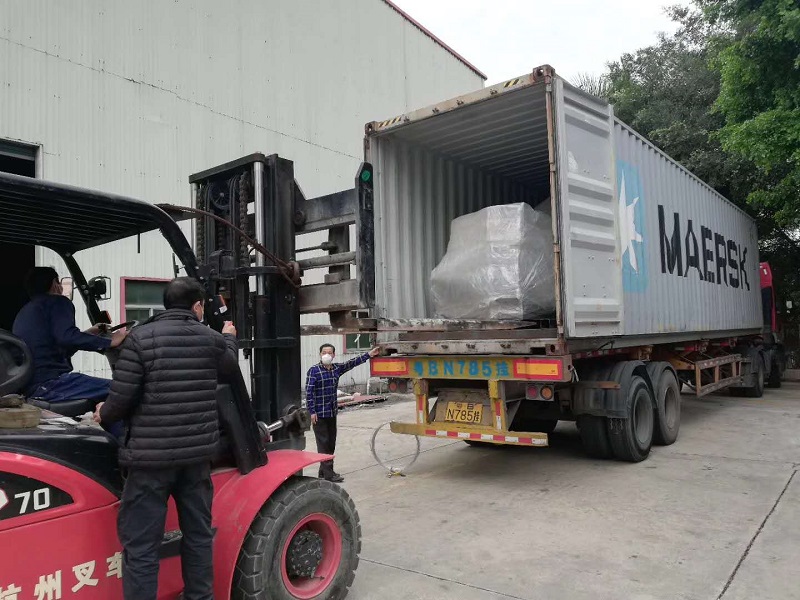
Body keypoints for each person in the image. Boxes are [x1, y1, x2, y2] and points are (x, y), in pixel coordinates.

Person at [94, 277, 238, 600]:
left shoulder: (140, 339)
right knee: (198, 535)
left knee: (142, 545)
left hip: (149, 462)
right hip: (195, 460)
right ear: (197, 306)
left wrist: (103, 412)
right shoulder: (211, 339)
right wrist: (229, 337)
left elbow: (120, 401)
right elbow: (229, 367)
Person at [12, 267, 128, 402]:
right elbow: (66, 338)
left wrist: (88, 334)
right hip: (52, 383)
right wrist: (110, 341)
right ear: (55, 284)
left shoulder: (25, 311)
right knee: (124, 390)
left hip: (30, 387)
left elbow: (57, 346)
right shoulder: (58, 302)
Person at [306, 343, 380, 482]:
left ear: (334, 355)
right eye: (324, 352)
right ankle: (329, 475)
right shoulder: (314, 371)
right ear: (320, 354)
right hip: (319, 414)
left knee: (331, 443)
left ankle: (323, 472)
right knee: (323, 443)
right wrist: (312, 411)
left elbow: (351, 363)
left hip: (332, 412)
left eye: (329, 352)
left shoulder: (336, 369)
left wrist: (369, 354)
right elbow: (309, 392)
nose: (326, 355)